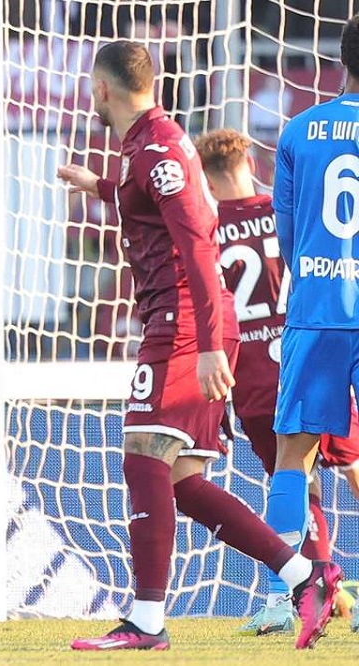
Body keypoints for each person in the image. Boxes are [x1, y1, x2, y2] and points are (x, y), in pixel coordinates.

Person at [56, 40, 340, 651]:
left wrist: (211, 343)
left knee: (142, 456)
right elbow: (148, 202)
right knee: (181, 481)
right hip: (186, 324)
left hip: (184, 326)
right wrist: (99, 185)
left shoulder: (158, 148)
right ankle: (304, 577)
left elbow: (198, 245)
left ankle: (146, 621)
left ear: (102, 89)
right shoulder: (145, 145)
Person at [194, 128, 359, 636]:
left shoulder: (209, 228)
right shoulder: (290, 210)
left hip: (255, 383)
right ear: (250, 163)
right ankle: (320, 590)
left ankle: (295, 597)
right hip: (314, 352)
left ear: (207, 179)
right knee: (352, 468)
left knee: (295, 483)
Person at [273, 11, 359, 637]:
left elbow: (287, 232)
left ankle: (287, 597)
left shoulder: (298, 130)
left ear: (342, 59)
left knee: (292, 457)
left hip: (317, 311)